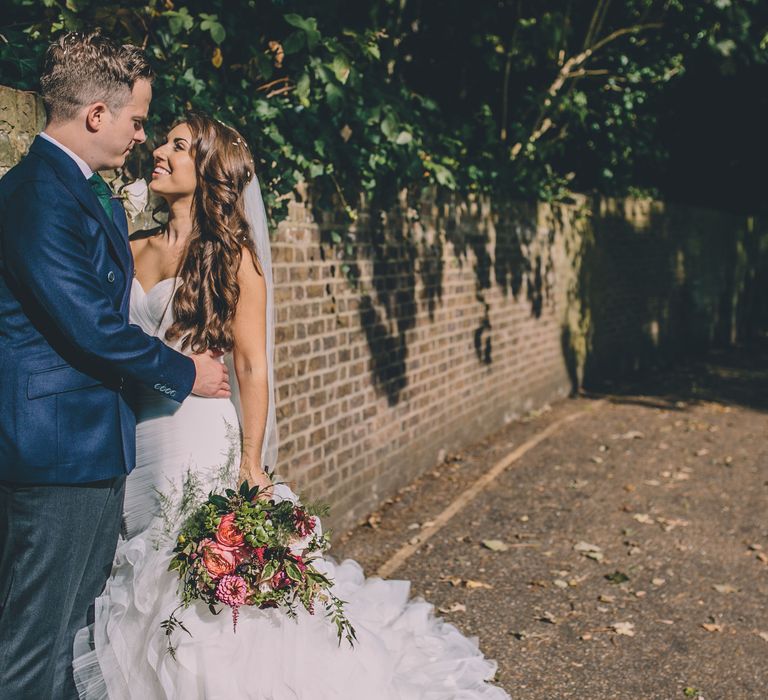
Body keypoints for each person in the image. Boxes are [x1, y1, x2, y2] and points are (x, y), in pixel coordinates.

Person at [72, 112, 510, 699]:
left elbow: (251, 365)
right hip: (135, 437)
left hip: (196, 438)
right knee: (139, 584)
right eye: (164, 142)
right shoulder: (130, 247)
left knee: (194, 590)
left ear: (207, 169)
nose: (160, 152)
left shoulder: (234, 258)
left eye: (178, 146)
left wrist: (251, 463)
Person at [0, 32, 230, 699]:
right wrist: (187, 375)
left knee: (74, 642)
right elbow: (93, 329)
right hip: (53, 456)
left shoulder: (82, 189)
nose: (140, 136)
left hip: (89, 449)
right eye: (136, 119)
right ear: (97, 115)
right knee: (34, 651)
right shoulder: (37, 196)